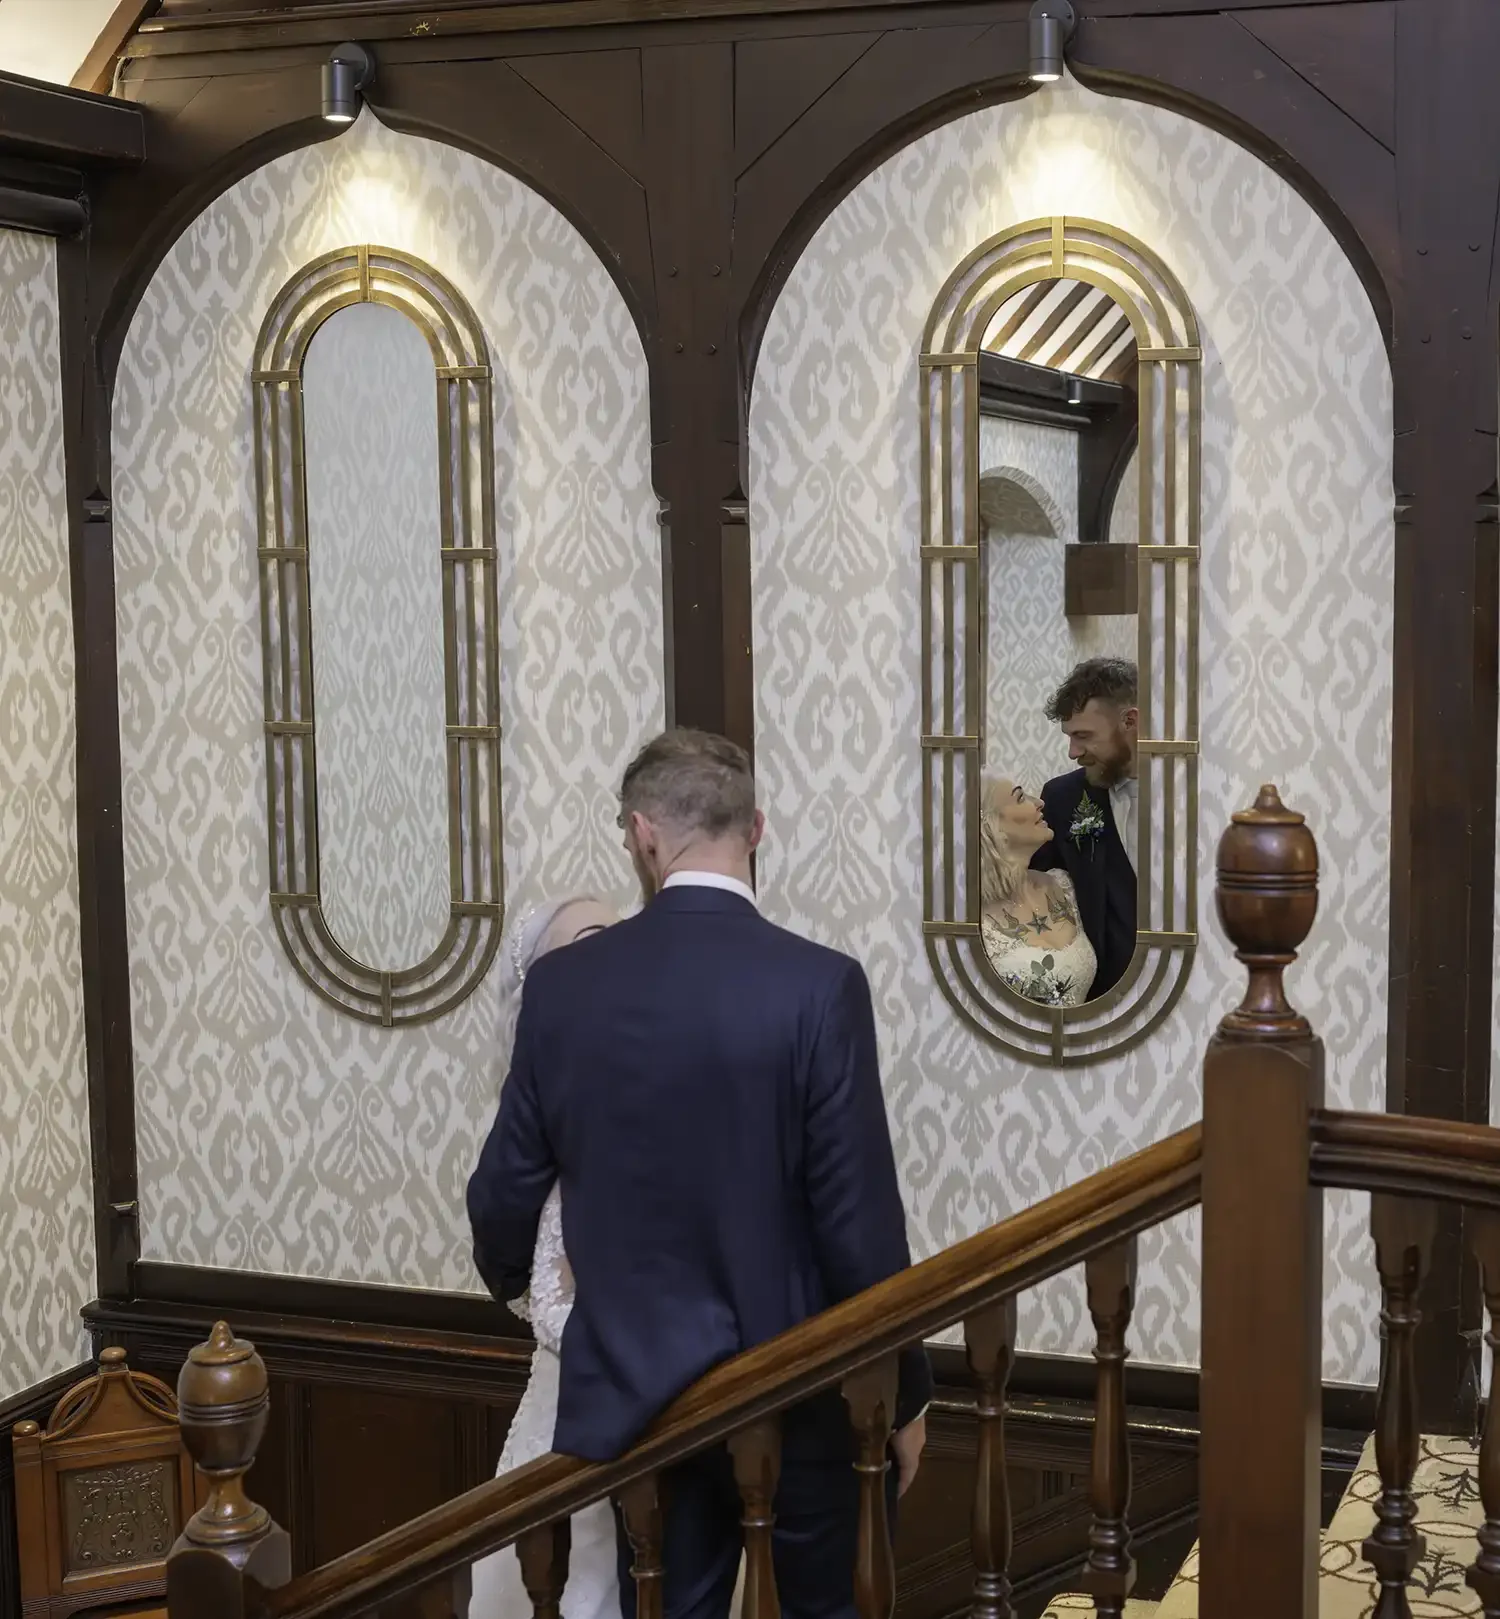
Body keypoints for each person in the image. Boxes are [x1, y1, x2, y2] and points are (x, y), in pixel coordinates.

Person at [467, 728, 932, 1619]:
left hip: (645, 1412)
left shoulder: (566, 989)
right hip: (801, 1394)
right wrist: (903, 1392)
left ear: (643, 834)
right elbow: (859, 1227)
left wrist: (528, 1290)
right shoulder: (819, 986)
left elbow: (503, 1193)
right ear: (756, 827)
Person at [468, 895, 622, 1619]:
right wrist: (549, 1288)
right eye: (589, 942)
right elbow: (502, 1228)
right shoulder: (543, 1095)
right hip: (570, 1396)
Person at [1030, 658, 1139, 1000]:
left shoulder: (1196, 794)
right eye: (1069, 736)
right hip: (1101, 1007)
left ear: (1130, 721)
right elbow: (1026, 886)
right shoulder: (1062, 799)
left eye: (1083, 736)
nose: (1073, 752)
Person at [978, 777, 1096, 1008]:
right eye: (1021, 797)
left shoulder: (1063, 885)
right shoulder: (969, 914)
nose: (1040, 802)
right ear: (991, 828)